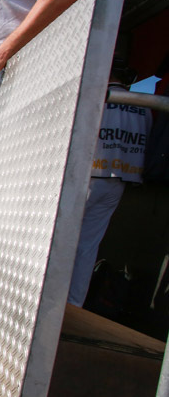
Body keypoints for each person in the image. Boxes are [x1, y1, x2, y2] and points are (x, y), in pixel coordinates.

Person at [67, 63, 153, 307]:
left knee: (61, 242)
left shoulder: (96, 96)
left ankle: (49, 302)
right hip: (120, 181)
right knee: (87, 247)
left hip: (87, 176)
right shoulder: (143, 104)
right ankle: (74, 305)